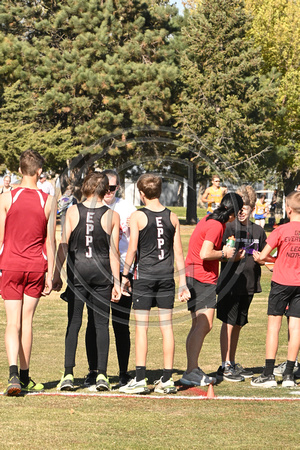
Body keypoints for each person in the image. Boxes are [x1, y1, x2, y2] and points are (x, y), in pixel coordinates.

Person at [119, 174, 190, 395]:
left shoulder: (138, 216)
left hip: (145, 277)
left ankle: (140, 379)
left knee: (142, 328)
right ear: (160, 191)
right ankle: (167, 379)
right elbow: (178, 253)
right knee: (166, 327)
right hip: (166, 278)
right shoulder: (173, 217)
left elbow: (132, 250)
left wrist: (124, 275)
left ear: (141, 193)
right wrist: (183, 284)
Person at [52, 172, 121, 391]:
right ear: (104, 190)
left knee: (74, 323)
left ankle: (68, 374)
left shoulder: (73, 211)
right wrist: (117, 282)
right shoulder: (113, 215)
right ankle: (101, 375)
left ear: (86, 187)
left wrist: (55, 274)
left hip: (78, 273)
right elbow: (114, 253)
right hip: (101, 275)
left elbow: (63, 245)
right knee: (101, 324)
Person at [0, 149, 56, 396]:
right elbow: (50, 241)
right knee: (27, 322)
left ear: (20, 170)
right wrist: (52, 273)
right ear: (39, 171)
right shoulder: (48, 200)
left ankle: (13, 374)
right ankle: (24, 375)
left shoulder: (6, 197)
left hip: (10, 265)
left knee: (12, 322)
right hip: (36, 267)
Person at [180, 193, 244, 387]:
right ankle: (191, 370)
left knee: (197, 325)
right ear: (233, 212)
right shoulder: (216, 225)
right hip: (201, 277)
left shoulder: (210, 218)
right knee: (205, 324)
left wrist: (228, 256)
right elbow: (205, 253)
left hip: (194, 274)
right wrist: (224, 253)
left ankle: (191, 369)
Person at [84, 169, 136, 388]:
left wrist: (127, 273)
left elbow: (134, 244)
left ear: (118, 188)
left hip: (123, 272)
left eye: (112, 188)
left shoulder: (126, 209)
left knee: (120, 324)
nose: (108, 191)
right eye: (105, 187)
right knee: (94, 323)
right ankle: (93, 370)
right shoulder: (91, 206)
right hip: (97, 273)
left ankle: (124, 372)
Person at [216, 186, 269, 382]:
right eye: (239, 207)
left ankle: (232, 361)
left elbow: (266, 257)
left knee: (238, 324)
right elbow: (218, 254)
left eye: (246, 207)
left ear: (253, 208)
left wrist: (262, 260)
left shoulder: (258, 230)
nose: (242, 211)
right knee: (228, 323)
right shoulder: (228, 227)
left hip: (249, 284)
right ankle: (225, 364)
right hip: (230, 284)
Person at [251, 191, 300, 388]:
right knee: (295, 327)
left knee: (274, 326)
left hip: (281, 282)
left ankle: (268, 373)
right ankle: (289, 374)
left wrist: (264, 259)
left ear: (288, 209)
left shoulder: (281, 230)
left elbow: (263, 256)